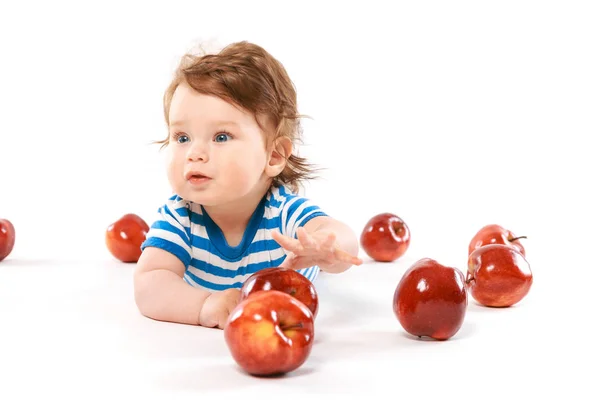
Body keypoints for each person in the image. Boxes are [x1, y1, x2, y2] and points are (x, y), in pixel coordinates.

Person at [133, 41, 363, 329]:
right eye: (182, 138)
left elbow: (340, 237)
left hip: (282, 323)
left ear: (274, 155)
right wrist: (204, 305)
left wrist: (324, 250)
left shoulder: (281, 211)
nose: (194, 153)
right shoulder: (180, 216)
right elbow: (150, 284)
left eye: (221, 137)